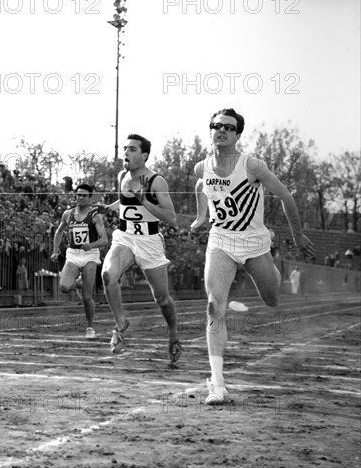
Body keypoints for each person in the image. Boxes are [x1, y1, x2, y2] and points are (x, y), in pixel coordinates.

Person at [191, 108, 315, 405]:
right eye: (216, 126)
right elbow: (201, 187)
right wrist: (199, 218)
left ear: (237, 135)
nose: (221, 130)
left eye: (229, 128)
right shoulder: (201, 167)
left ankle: (272, 271)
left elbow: (285, 197)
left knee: (272, 298)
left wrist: (297, 235)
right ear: (210, 130)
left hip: (255, 243)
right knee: (213, 306)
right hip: (221, 240)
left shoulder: (252, 165)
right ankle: (217, 384)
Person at [100, 134, 182, 363]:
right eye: (125, 148)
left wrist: (145, 200)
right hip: (125, 237)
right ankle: (121, 325)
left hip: (149, 240)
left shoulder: (156, 181)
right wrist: (106, 207)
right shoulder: (122, 176)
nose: (125, 152)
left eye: (132, 149)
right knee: (108, 275)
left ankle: (174, 334)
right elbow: (124, 202)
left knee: (162, 299)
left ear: (144, 155)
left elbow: (172, 218)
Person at [51, 184, 108, 339]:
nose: (81, 198)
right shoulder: (67, 214)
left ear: (90, 198)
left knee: (86, 296)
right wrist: (55, 251)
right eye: (78, 195)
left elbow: (104, 240)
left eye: (84, 195)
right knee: (64, 287)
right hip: (73, 254)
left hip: (90, 255)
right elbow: (59, 231)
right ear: (75, 196)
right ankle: (79, 281)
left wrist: (91, 245)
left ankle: (90, 327)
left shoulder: (95, 215)